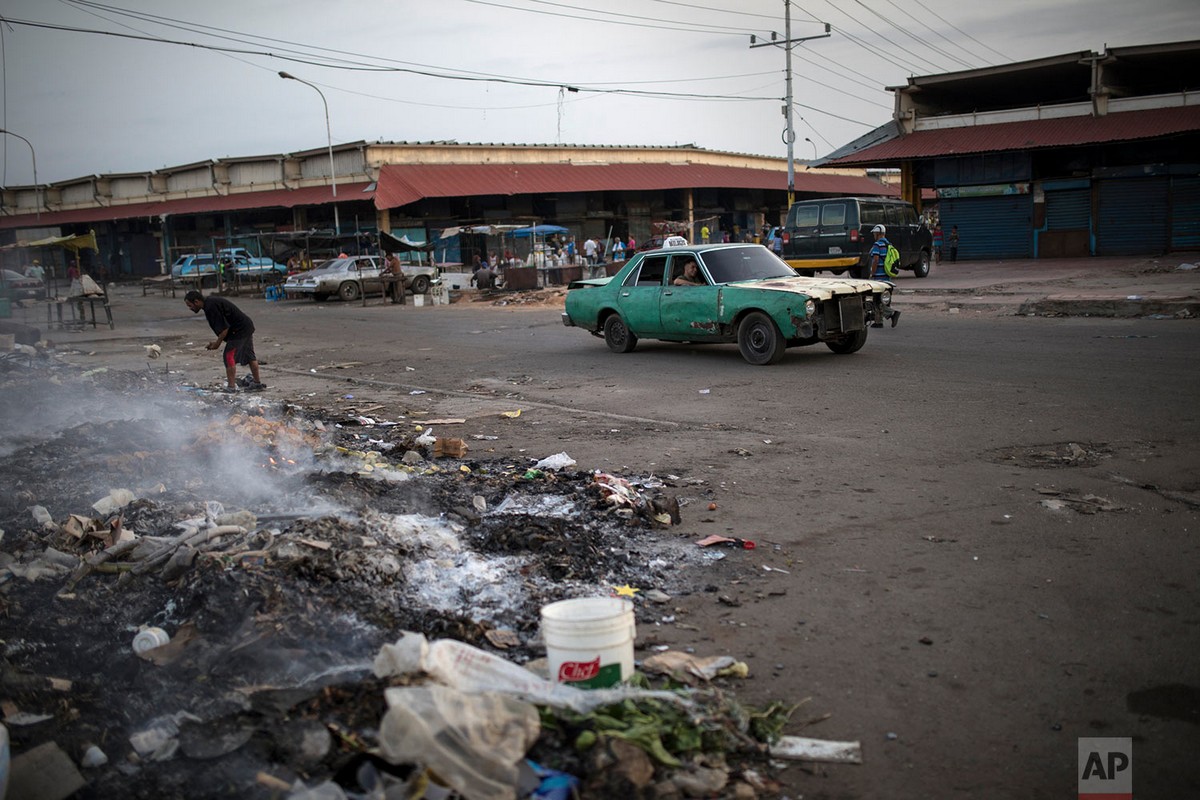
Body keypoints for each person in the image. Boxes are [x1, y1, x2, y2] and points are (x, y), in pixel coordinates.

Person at [184, 290, 263, 392]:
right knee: (249, 355)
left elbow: (224, 330)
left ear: (196, 301)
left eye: (190, 305)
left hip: (239, 331)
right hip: (245, 326)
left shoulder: (210, 307)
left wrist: (217, 344)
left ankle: (231, 387)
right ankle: (257, 383)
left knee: (229, 356)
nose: (190, 308)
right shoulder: (210, 303)